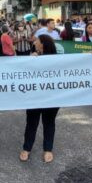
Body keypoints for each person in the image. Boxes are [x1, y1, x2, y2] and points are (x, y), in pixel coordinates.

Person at [19, 35, 60, 163]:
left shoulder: (58, 60)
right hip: (34, 97)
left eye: (37, 40)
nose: (34, 41)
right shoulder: (32, 57)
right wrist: (29, 61)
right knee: (31, 123)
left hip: (51, 97)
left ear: (42, 44)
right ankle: (27, 148)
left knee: (49, 123)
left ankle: (48, 149)